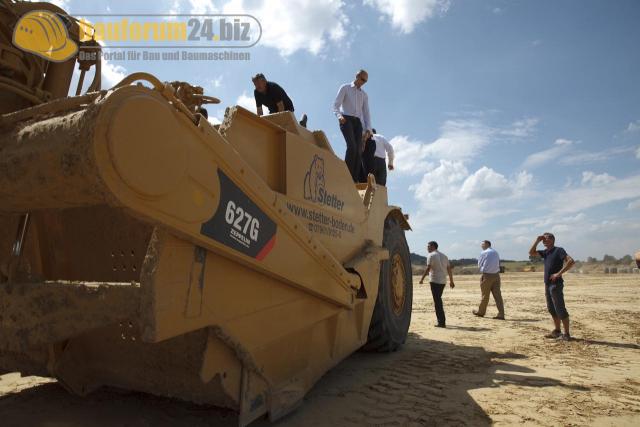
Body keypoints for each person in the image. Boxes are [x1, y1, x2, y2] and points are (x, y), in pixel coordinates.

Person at [529, 232, 575, 341]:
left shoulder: (559, 250)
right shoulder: (546, 252)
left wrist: (559, 274)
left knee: (560, 308)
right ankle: (557, 331)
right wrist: (537, 241)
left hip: (556, 284)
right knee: (551, 309)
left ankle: (567, 334)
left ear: (552, 240)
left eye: (546, 239)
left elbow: (571, 261)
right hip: (547, 284)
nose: (544, 241)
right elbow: (531, 253)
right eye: (543, 239)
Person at [332, 69, 372, 182]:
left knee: (359, 150)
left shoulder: (364, 95)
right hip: (346, 120)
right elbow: (335, 105)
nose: (363, 82)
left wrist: (368, 129)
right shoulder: (345, 87)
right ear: (357, 76)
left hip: (358, 123)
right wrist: (339, 117)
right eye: (362, 79)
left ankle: (354, 180)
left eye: (365, 81)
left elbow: (366, 113)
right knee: (352, 147)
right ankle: (346, 176)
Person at [419, 241, 455, 328]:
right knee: (438, 300)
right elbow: (449, 269)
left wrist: (422, 279)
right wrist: (451, 281)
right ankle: (441, 321)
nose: (427, 248)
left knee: (437, 301)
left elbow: (428, 268)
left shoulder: (431, 255)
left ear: (433, 246)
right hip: (443, 281)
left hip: (435, 280)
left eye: (428, 246)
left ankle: (441, 322)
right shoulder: (444, 256)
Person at [473, 240, 505, 320]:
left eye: (483, 244)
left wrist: (483, 271)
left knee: (485, 295)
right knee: (498, 296)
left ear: (487, 244)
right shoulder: (496, 252)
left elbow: (479, 265)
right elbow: (498, 263)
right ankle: (501, 314)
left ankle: (481, 312)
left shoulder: (483, 252)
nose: (481, 246)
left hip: (487, 275)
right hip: (496, 275)